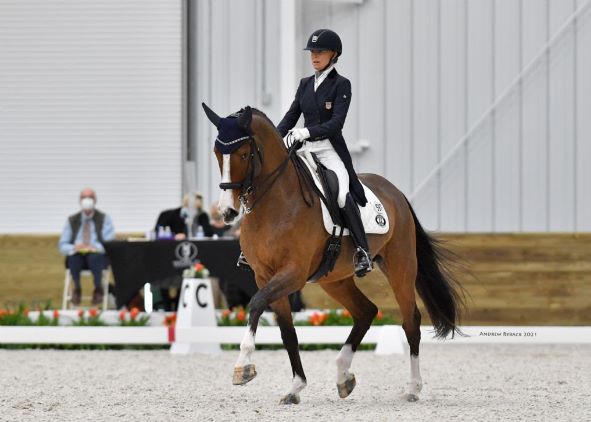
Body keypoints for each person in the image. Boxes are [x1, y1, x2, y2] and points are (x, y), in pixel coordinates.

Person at [276, 29, 372, 277]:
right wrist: (275, 139)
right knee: (274, 180)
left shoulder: (341, 85)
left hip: (329, 148)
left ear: (334, 54)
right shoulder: (305, 84)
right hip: (304, 148)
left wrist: (305, 132)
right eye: (312, 52)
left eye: (320, 52)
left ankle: (363, 251)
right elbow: (290, 117)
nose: (314, 56)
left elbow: (335, 124)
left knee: (341, 194)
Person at [58, 188, 115, 305]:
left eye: (90, 197)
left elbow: (109, 243)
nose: (87, 200)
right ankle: (77, 289)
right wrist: (75, 247)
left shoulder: (104, 219)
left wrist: (93, 247)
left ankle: (98, 288)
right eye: (84, 197)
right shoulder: (71, 220)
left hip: (97, 256)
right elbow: (62, 245)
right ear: (80, 200)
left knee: (94, 257)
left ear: (95, 200)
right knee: (73, 258)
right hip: (78, 256)